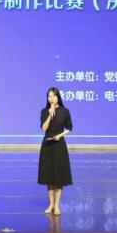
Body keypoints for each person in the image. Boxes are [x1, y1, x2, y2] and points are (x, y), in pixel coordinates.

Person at [38, 87, 73, 216]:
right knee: (49, 176)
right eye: (49, 96)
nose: (51, 98)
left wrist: (60, 135)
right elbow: (44, 128)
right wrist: (49, 114)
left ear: (58, 97)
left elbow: (69, 128)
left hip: (59, 145)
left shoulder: (65, 111)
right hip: (47, 145)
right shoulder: (44, 111)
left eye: (54, 96)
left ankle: (57, 205)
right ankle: (51, 204)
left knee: (59, 176)